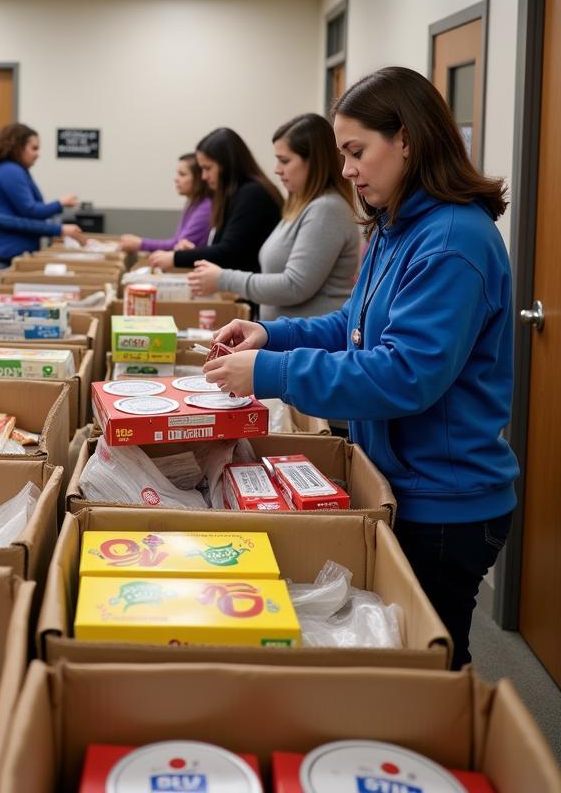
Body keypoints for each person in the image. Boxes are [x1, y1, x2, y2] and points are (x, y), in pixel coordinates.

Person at [205, 66, 518, 670]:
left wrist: (270, 375)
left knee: (427, 662)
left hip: (446, 499)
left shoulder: (453, 240)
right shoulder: (396, 226)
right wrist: (268, 334)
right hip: (400, 480)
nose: (345, 169)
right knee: (399, 654)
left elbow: (404, 374)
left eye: (356, 151)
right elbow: (349, 326)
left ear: (407, 139)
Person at [187, 114, 359, 320]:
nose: (277, 170)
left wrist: (223, 279)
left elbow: (294, 286)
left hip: (309, 345)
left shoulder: (327, 209)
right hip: (288, 339)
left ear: (314, 162)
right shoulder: (299, 207)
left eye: (284, 161)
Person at [148, 127, 283, 273]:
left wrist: (177, 258)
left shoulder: (252, 194)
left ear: (227, 165)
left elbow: (228, 253)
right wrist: (195, 252)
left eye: (208, 168)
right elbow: (227, 249)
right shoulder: (235, 195)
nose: (204, 177)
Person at [0, 123, 82, 265]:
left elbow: (27, 214)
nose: (37, 154)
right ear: (18, 147)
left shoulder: (12, 170)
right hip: (3, 255)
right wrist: (59, 211)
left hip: (5, 253)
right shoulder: (10, 171)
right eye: (34, 148)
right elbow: (30, 212)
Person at [119, 153, 211, 254]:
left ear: (199, 178)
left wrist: (140, 244)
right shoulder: (193, 203)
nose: (176, 179)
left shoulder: (206, 207)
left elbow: (177, 244)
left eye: (182, 174)